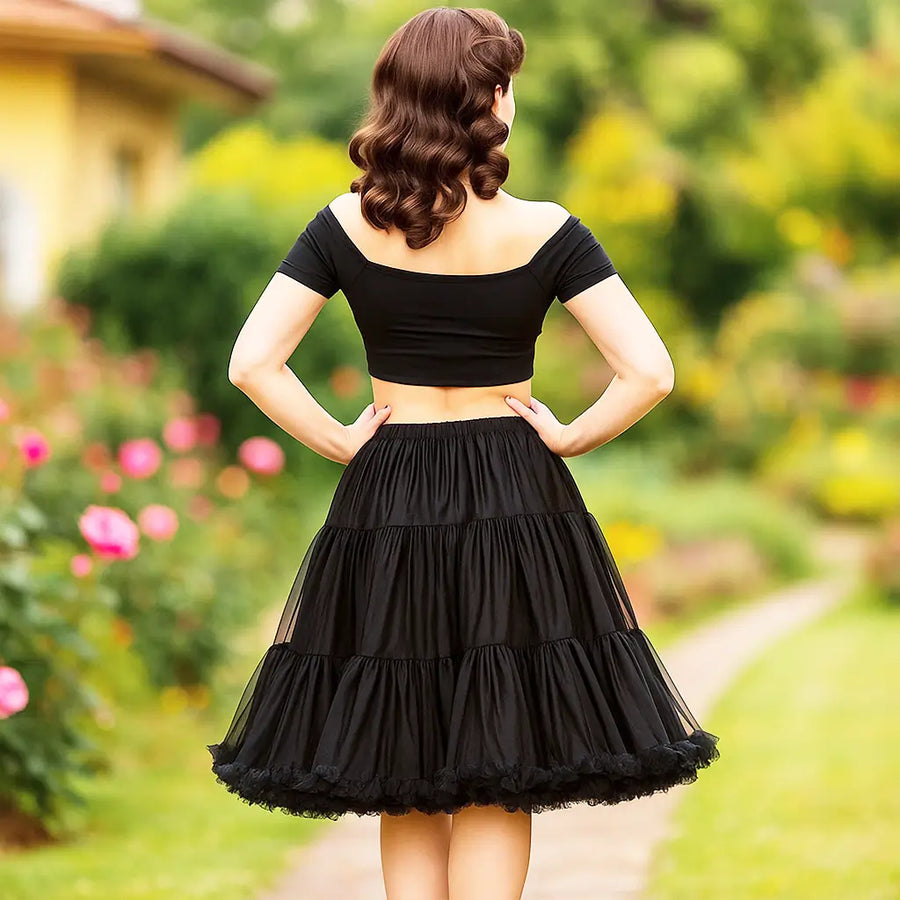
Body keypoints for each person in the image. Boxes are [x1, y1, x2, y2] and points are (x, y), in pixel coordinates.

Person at [206, 7, 720, 899]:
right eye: (505, 80)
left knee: (402, 758)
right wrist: (567, 435)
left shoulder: (343, 226)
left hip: (390, 490)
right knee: (499, 758)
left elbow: (253, 361)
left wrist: (337, 439)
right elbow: (649, 372)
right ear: (487, 98)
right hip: (516, 497)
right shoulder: (550, 231)